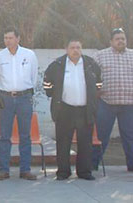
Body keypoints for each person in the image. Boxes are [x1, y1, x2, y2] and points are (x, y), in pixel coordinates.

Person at [44, 39, 101, 181]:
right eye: (72, 47)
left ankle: (84, 172)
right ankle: (63, 172)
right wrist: (54, 94)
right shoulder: (57, 65)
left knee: (85, 143)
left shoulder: (91, 64)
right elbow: (47, 84)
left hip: (85, 110)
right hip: (64, 110)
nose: (75, 50)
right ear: (66, 49)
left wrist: (92, 97)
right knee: (63, 143)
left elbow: (98, 84)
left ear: (81, 49)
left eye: (78, 47)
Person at [0, 27, 39, 181]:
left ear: (18, 39)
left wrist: (24, 91)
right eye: (5, 38)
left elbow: (33, 77)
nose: (8, 41)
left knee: (25, 135)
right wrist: (3, 94)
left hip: (24, 98)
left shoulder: (29, 55)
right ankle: (3, 170)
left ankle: (25, 170)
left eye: (10, 38)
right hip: (6, 98)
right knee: (5, 136)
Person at [92, 28, 133, 172]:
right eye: (117, 39)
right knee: (101, 136)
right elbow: (91, 75)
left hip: (129, 105)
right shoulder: (100, 56)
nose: (121, 41)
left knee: (130, 137)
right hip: (106, 103)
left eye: (123, 38)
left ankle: (132, 165)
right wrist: (95, 91)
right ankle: (93, 165)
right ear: (111, 41)